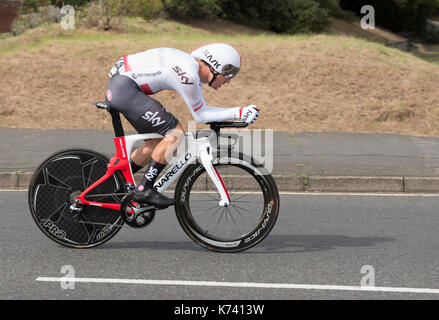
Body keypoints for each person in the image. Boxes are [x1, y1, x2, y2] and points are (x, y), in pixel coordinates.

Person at [105, 43, 259, 208]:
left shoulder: (190, 67)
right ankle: (144, 189)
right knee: (175, 134)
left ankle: (112, 183)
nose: (228, 81)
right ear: (215, 67)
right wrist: (240, 112)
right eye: (228, 75)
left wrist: (236, 113)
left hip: (123, 87)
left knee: (156, 145)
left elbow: (202, 111)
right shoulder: (189, 74)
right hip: (125, 88)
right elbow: (201, 115)